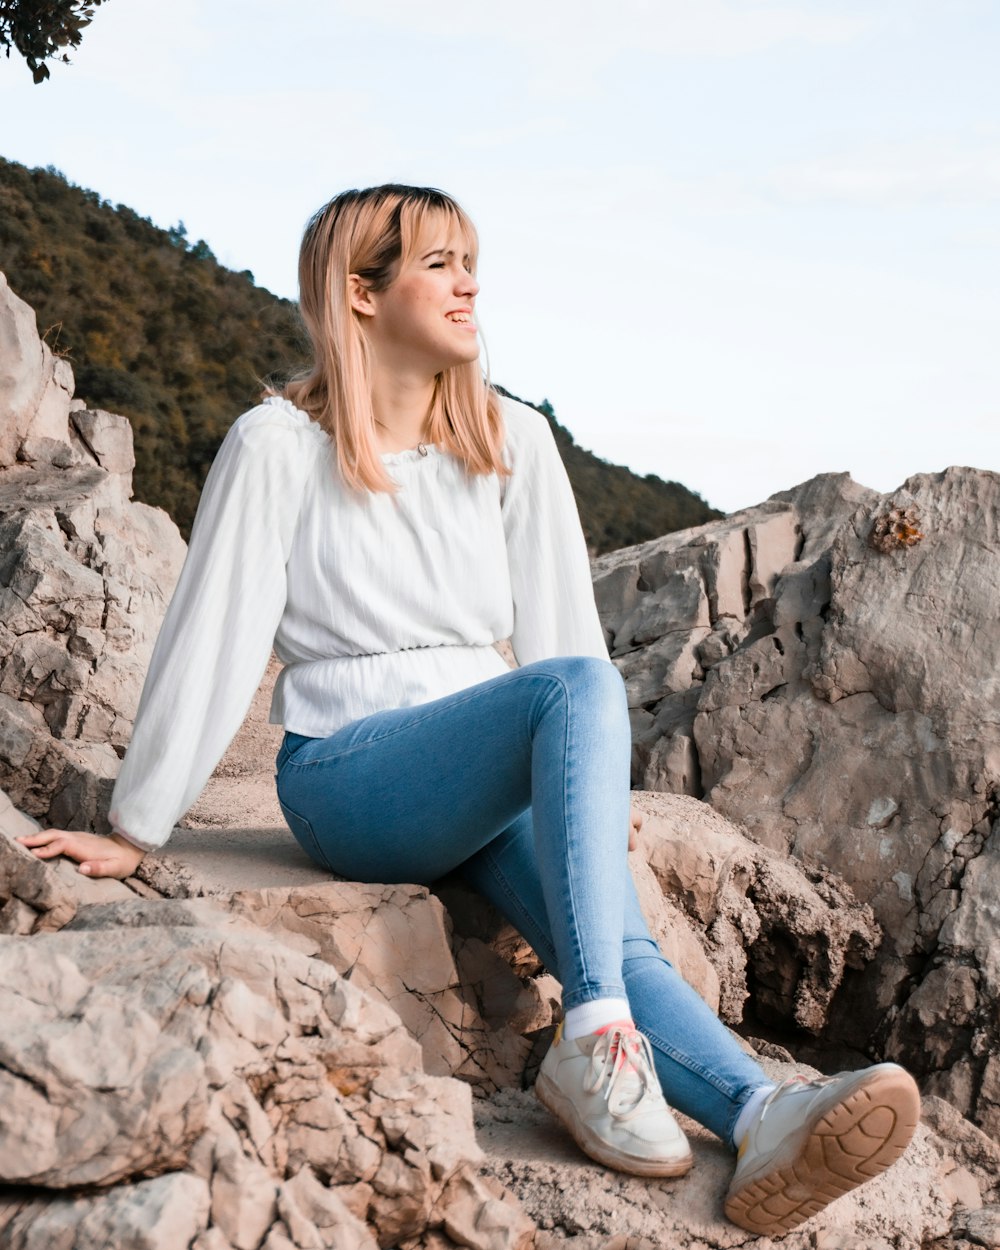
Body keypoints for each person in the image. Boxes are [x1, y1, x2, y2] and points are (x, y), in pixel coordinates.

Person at [16, 183, 920, 1238]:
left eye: (469, 260)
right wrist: (137, 823)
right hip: (350, 776)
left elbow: (559, 630)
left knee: (610, 944)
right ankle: (593, 1057)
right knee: (576, 704)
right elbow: (211, 635)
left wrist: (587, 795)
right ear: (359, 293)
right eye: (438, 263)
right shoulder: (278, 445)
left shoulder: (511, 439)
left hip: (485, 762)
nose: (468, 282)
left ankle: (761, 1110)